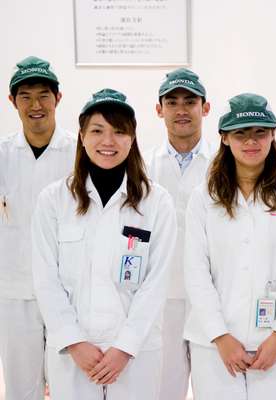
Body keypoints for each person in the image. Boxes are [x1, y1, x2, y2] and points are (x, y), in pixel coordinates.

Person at [31, 88, 176, 399]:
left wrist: (125, 347)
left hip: (135, 355)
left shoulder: (156, 202)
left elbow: (157, 281)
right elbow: (45, 279)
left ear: (133, 138)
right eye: (97, 131)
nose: (108, 141)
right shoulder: (54, 200)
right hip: (73, 355)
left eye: (119, 131)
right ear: (82, 136)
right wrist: (74, 342)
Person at [184, 93, 276, 399]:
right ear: (225, 139)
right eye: (240, 133)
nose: (251, 141)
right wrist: (220, 336)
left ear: (273, 135)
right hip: (214, 346)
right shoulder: (204, 197)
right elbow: (195, 271)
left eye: (260, 132)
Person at [0, 56, 76, 399]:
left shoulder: (79, 153)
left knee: (71, 384)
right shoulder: (2, 154)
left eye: (44, 95)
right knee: (21, 388)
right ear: (12, 101)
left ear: (58, 99)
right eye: (26, 96)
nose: (36, 105)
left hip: (70, 291)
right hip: (16, 291)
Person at [144, 67, 214, 400]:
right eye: (172, 102)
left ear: (206, 107)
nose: (182, 110)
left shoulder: (224, 165)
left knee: (216, 389)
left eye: (190, 101)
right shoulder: (143, 167)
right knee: (163, 391)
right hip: (163, 298)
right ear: (159, 110)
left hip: (213, 299)